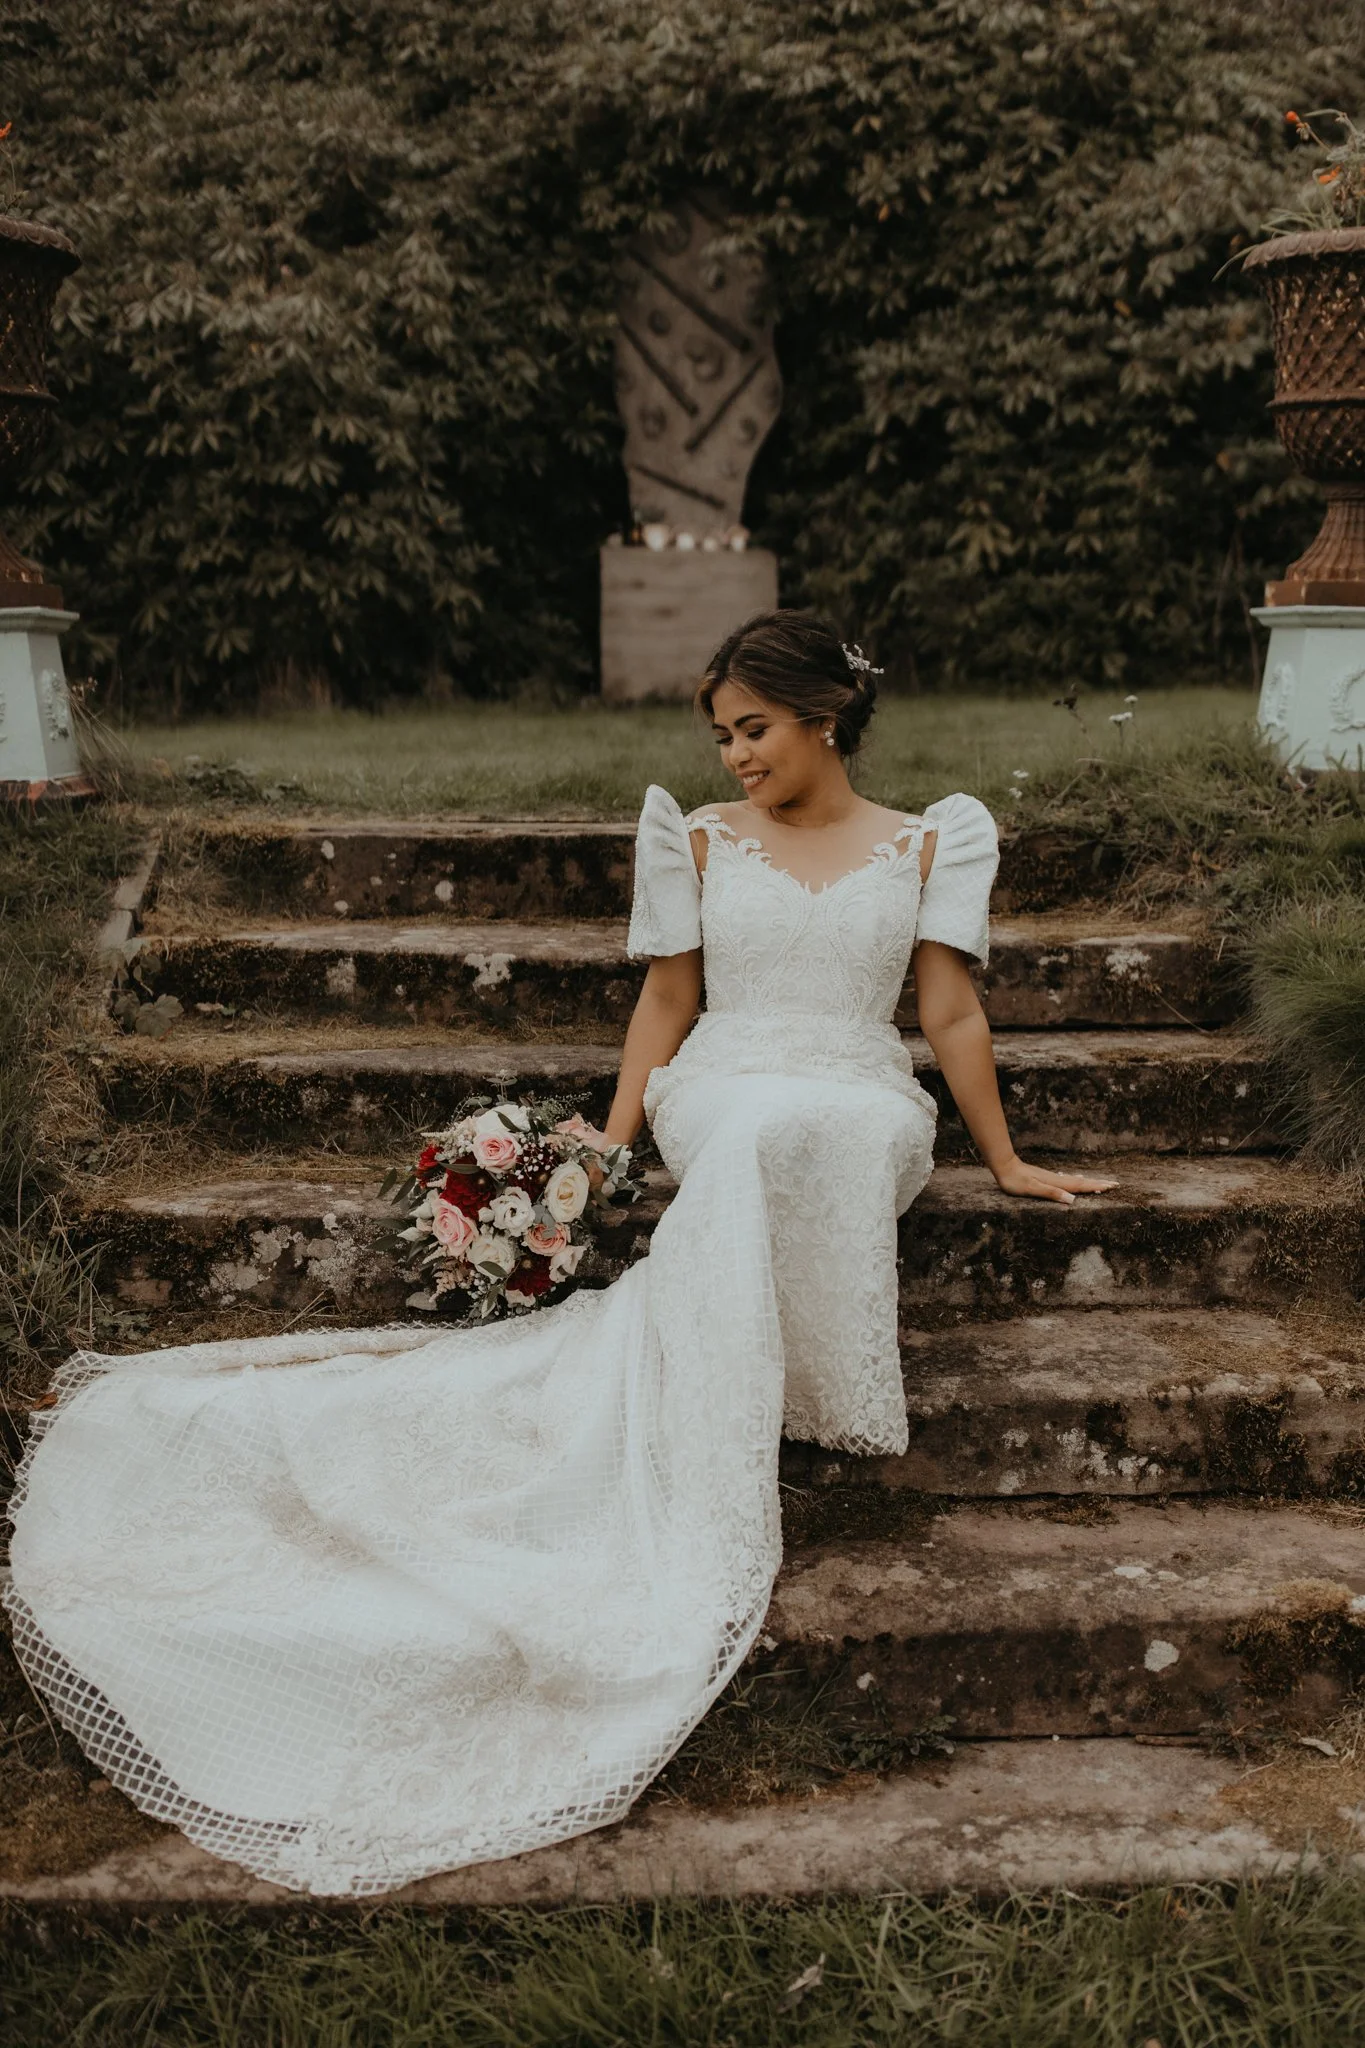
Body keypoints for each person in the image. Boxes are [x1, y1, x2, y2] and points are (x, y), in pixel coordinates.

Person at [5, 609, 1113, 1898]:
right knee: (756, 1129)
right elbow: (667, 1004)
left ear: (825, 713)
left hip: (866, 1090)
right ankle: (739, 1381)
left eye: (753, 729)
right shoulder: (696, 839)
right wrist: (607, 1150)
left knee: (834, 1124)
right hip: (726, 1082)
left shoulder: (933, 838)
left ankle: (799, 1377)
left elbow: (949, 1010)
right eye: (721, 736)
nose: (733, 757)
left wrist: (1010, 1157)